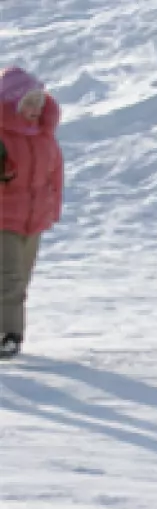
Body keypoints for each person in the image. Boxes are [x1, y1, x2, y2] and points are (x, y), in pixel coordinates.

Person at [0, 67, 63, 360]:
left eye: (39, 100)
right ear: (10, 102)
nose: (36, 107)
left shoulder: (44, 136)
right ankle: (7, 336)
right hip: (3, 218)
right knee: (9, 280)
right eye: (29, 101)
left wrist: (52, 209)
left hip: (32, 220)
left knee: (20, 281)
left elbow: (55, 175)